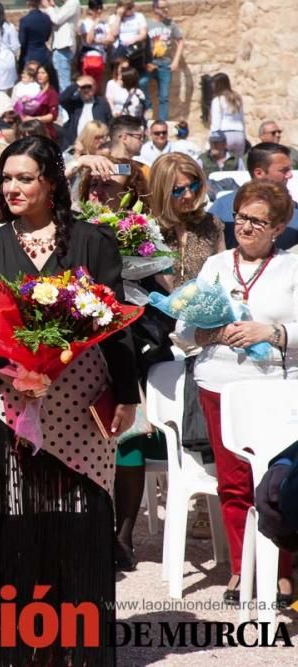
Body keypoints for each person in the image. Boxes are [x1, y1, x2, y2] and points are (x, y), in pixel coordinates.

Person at [0, 135, 138, 667]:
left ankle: (83, 651)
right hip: (15, 406)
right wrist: (8, 370)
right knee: (21, 526)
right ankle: (25, 652)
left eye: (24, 178)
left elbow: (115, 323)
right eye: (7, 179)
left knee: (81, 523)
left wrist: (127, 395)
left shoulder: (92, 241)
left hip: (81, 404)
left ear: (51, 182)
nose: (12, 188)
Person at [175, 179, 297, 605]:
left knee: (279, 485)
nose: (245, 227)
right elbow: (184, 333)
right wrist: (213, 333)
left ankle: (281, 572)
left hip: (278, 389)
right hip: (219, 385)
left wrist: (274, 332)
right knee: (233, 484)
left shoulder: (293, 268)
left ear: (278, 228)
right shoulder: (215, 267)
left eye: (258, 222)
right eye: (241, 217)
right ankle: (241, 570)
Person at [150, 152, 225, 292]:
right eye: (178, 191)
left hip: (202, 309)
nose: (189, 195)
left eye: (194, 185)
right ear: (161, 192)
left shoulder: (212, 223)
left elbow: (222, 273)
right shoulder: (145, 228)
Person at [211, 143, 298, 249]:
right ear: (259, 173)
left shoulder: (293, 210)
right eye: (283, 170)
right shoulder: (222, 207)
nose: (290, 175)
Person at [141, 0, 184, 122]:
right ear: (155, 9)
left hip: (165, 64)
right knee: (142, 82)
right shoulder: (147, 24)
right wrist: (146, 63)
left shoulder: (171, 24)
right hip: (151, 63)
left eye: (167, 7)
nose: (166, 10)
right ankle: (148, 108)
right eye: (163, 8)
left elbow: (180, 41)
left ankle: (163, 122)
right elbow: (142, 44)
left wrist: (175, 61)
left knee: (164, 97)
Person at [58, 74, 113, 151]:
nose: (86, 90)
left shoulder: (102, 102)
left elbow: (110, 121)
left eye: (89, 87)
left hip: (97, 145)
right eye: (83, 87)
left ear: (95, 87)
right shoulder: (74, 102)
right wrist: (77, 84)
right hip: (76, 145)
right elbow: (61, 99)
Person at [14, 63, 59, 140]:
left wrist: (34, 119)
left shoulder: (51, 93)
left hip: (43, 130)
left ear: (49, 75)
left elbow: (52, 115)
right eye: (38, 73)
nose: (40, 75)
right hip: (28, 128)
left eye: (43, 73)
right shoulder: (33, 89)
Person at [44, 0, 82, 90]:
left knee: (64, 85)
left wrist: (48, 7)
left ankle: (65, 103)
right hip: (59, 48)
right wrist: (53, 7)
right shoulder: (66, 6)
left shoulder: (73, 2)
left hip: (63, 48)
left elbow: (57, 19)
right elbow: (59, 16)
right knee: (61, 83)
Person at [209, 73, 246, 159]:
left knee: (223, 162)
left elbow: (216, 122)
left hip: (225, 134)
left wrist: (211, 141)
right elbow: (242, 120)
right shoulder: (237, 99)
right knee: (238, 162)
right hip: (239, 133)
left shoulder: (217, 100)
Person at [108, 0, 149, 73]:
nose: (132, 9)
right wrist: (119, 16)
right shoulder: (113, 18)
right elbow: (114, 33)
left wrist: (134, 39)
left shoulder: (139, 16)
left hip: (135, 50)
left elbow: (143, 35)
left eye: (133, 6)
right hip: (120, 52)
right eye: (129, 7)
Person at [78, 0, 109, 86]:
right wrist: (95, 24)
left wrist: (96, 41)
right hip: (89, 58)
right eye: (96, 9)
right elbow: (88, 40)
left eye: (101, 8)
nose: (99, 11)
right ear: (90, 10)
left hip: (102, 58)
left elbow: (110, 39)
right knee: (88, 83)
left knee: (99, 85)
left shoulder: (104, 23)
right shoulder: (85, 23)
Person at [18, 0, 52, 69]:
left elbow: (22, 41)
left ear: (27, 2)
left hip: (29, 55)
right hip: (44, 54)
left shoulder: (25, 20)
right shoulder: (46, 18)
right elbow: (47, 37)